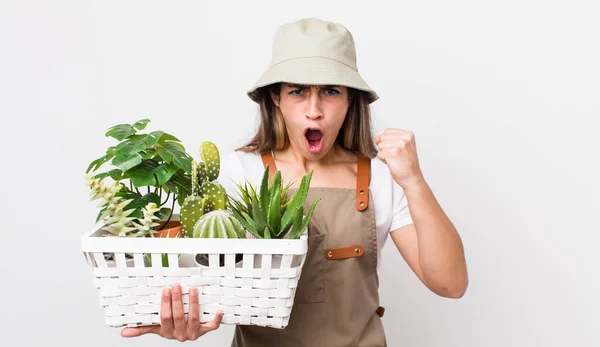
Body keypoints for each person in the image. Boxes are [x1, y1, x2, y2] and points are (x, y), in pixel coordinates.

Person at [121, 17, 468, 346]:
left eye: (331, 91)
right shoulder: (239, 172)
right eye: (298, 91)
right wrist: (186, 316)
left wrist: (414, 181)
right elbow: (200, 279)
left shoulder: (381, 176)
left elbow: (451, 284)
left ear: (350, 100)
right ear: (276, 97)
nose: (314, 110)